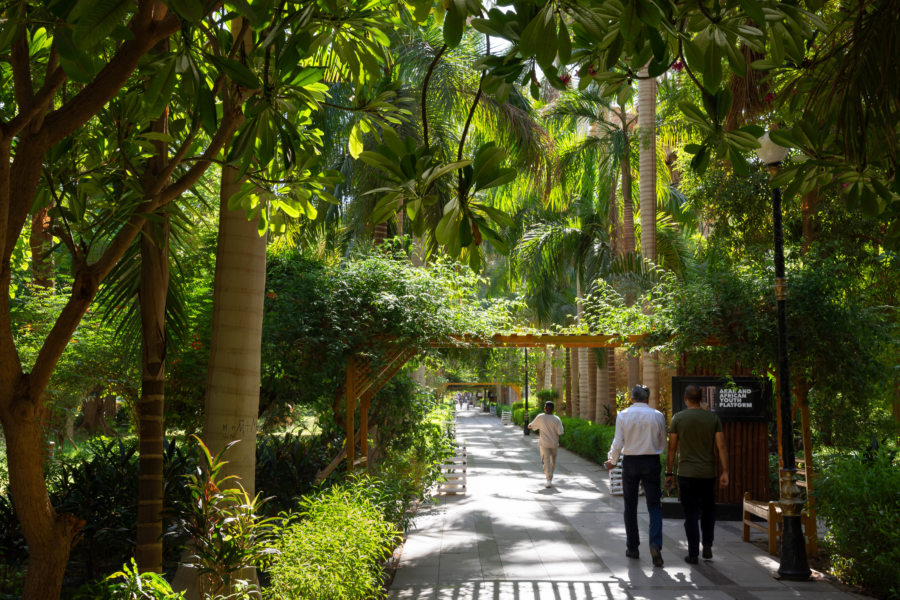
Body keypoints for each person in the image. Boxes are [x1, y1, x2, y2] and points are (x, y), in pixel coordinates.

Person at [665, 384, 729, 565]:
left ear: (686, 399)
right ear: (702, 399)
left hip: (686, 474)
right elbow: (721, 446)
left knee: (690, 514)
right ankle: (707, 545)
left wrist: (669, 473)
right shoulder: (713, 418)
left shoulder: (678, 418)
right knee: (708, 511)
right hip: (708, 474)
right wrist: (725, 471)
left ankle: (693, 553)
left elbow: (672, 449)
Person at [605, 384, 667, 567]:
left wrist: (612, 461)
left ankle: (632, 547)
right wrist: (655, 450)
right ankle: (655, 544)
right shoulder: (657, 415)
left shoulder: (623, 415)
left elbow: (618, 442)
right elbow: (663, 442)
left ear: (631, 398)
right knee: (654, 505)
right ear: (647, 398)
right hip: (651, 461)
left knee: (630, 505)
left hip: (630, 462)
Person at [528, 401, 565, 488]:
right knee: (552, 461)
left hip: (544, 443)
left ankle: (548, 480)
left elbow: (532, 425)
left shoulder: (540, 417)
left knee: (546, 461)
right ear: (553, 409)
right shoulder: (557, 419)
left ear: (545, 408)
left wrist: (529, 426)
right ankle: (550, 479)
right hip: (554, 444)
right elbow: (560, 432)